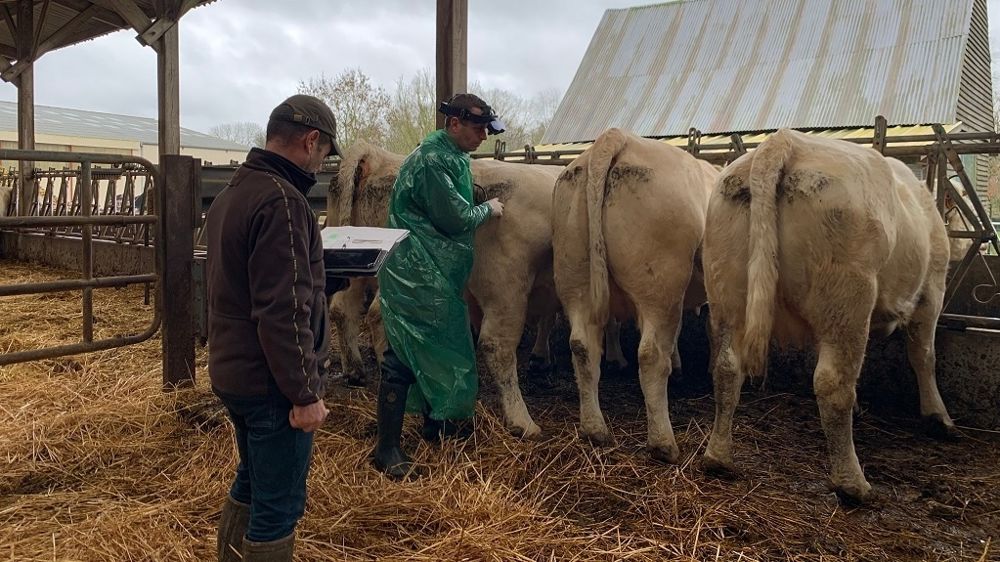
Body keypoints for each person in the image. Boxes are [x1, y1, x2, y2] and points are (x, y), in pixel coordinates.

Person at [205, 94, 341, 561]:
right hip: (271, 384)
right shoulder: (283, 202)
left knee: (252, 478)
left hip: (233, 370)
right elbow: (282, 311)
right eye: (324, 154)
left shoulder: (232, 193)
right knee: (278, 507)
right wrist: (304, 395)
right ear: (311, 141)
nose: (321, 165)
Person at [373, 93, 506, 479]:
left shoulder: (450, 157)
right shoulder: (432, 160)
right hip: (415, 271)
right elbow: (455, 217)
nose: (483, 136)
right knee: (406, 349)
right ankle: (387, 448)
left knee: (440, 344)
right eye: (478, 128)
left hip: (432, 268)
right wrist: (489, 208)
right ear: (454, 124)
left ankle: (436, 423)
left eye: (486, 129)